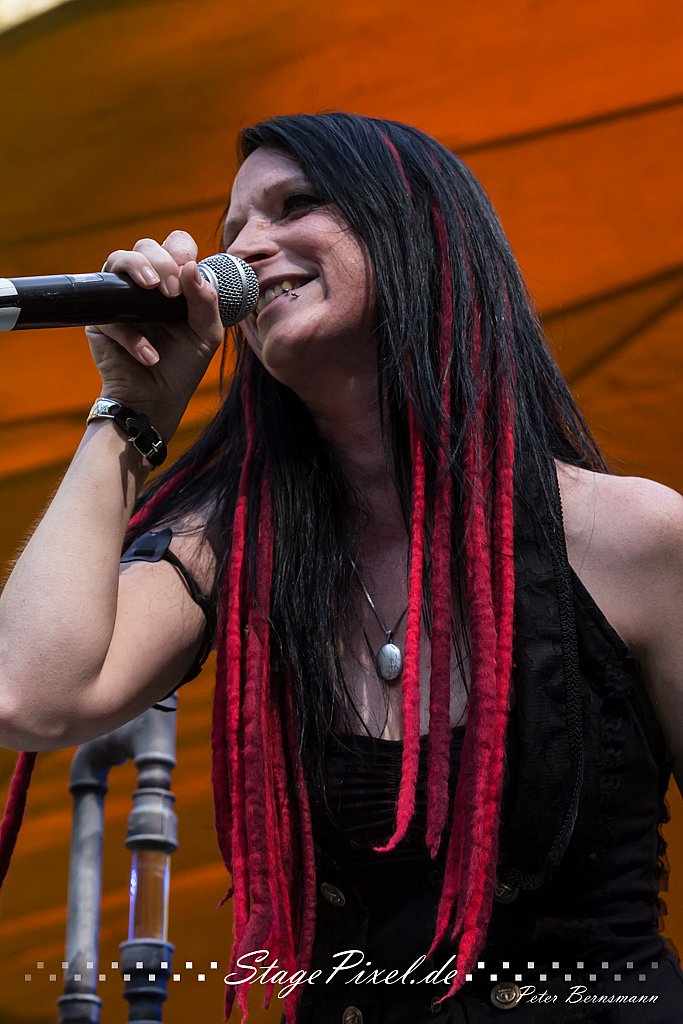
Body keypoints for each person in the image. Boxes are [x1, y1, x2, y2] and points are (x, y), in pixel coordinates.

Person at [0, 112, 682, 1023]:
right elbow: (28, 693)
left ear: (418, 233)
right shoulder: (232, 541)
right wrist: (129, 410)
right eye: (233, 229)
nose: (244, 248)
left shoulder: (632, 537)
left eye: (296, 206)